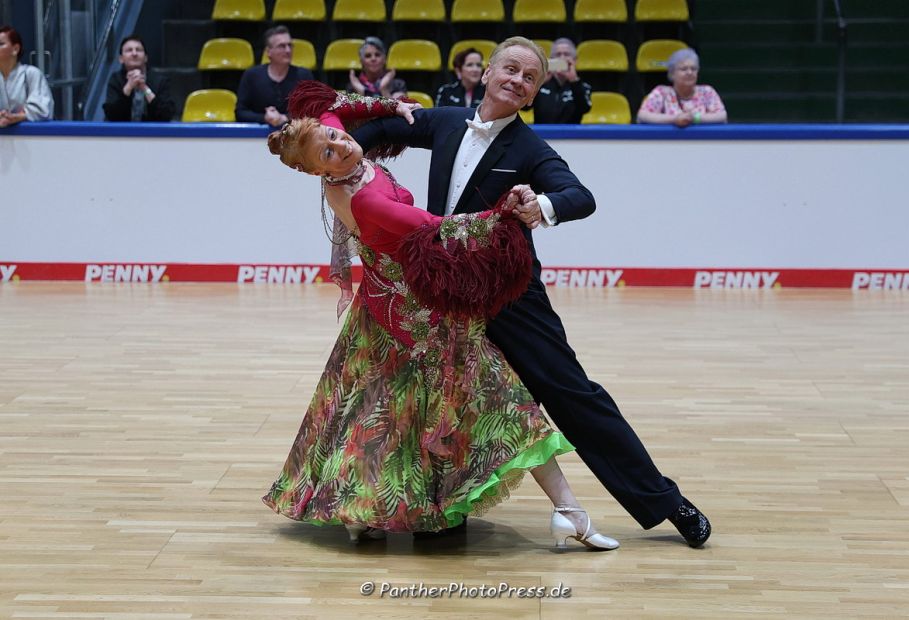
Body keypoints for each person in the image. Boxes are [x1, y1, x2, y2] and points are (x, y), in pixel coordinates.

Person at [352, 37, 712, 547]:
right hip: (444, 292)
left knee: (571, 394)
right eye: (511, 69)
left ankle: (664, 500)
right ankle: (440, 511)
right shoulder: (446, 122)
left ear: (532, 95)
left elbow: (579, 196)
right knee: (438, 399)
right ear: (487, 72)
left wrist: (539, 205)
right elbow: (373, 131)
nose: (517, 80)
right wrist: (341, 139)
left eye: (529, 78)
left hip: (508, 295)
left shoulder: (529, 148)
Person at [261, 81, 618, 551]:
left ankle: (361, 512)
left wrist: (388, 105)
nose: (342, 144)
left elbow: (331, 108)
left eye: (337, 138)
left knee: (378, 411)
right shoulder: (365, 201)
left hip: (380, 306)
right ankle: (568, 512)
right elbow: (440, 230)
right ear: (315, 172)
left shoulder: (328, 137)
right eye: (328, 152)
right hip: (416, 315)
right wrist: (503, 214)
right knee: (495, 401)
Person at [235, 25, 314, 126]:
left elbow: (312, 110)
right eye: (282, 46)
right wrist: (264, 118)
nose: (288, 50)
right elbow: (240, 112)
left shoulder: (304, 76)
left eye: (290, 45)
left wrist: (284, 118)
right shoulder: (251, 75)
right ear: (268, 52)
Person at [637, 48, 727, 126]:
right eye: (684, 69)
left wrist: (694, 118)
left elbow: (722, 115)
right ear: (672, 74)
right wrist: (675, 119)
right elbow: (643, 115)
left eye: (693, 69)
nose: (689, 72)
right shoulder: (661, 92)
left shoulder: (707, 92)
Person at [102, 35, 176, 122]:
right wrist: (129, 87)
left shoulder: (160, 80)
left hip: (153, 132)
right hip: (122, 133)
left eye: (138, 50)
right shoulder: (115, 80)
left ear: (145, 58)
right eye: (129, 50)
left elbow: (166, 115)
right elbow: (112, 116)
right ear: (121, 59)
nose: (134, 53)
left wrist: (144, 88)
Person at [0, 25, 53, 127]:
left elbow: (42, 109)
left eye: (1, 44)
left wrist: (16, 117)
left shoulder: (31, 74)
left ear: (15, 49)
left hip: (31, 138)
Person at [531, 38, 592, 124]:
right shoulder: (541, 84)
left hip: (571, 135)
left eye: (566, 54)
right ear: (551, 59)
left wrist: (574, 81)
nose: (562, 58)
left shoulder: (583, 87)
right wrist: (539, 83)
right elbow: (525, 107)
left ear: (575, 60)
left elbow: (585, 108)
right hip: (541, 134)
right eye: (558, 54)